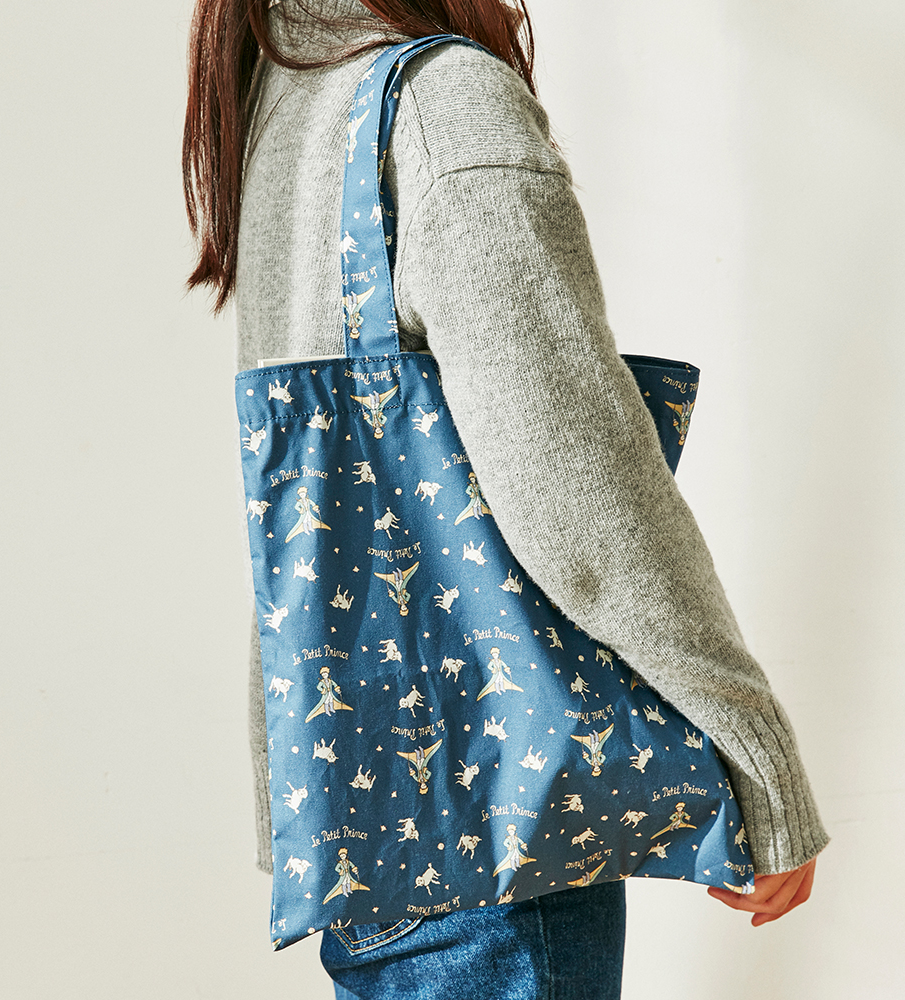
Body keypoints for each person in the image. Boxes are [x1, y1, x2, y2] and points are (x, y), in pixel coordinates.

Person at [183, 1, 828, 996]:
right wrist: (755, 754)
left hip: (376, 825)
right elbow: (578, 499)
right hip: (495, 831)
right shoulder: (439, 105)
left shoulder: (283, 92)